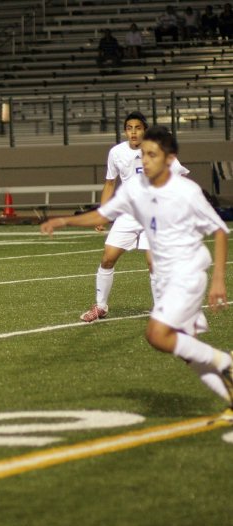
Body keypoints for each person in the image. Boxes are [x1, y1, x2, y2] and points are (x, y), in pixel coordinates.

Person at [41, 126, 232, 422]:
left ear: (170, 159)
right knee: (187, 353)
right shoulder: (136, 187)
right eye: (143, 154)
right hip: (170, 278)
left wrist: (218, 279)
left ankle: (225, 362)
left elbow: (219, 230)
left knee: (156, 334)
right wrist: (65, 220)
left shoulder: (186, 191)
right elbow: (104, 214)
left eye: (152, 154)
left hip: (188, 274)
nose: (145, 160)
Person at [79, 111, 189, 323]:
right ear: (125, 131)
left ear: (144, 130)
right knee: (107, 258)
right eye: (129, 128)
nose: (133, 132)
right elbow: (110, 183)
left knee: (153, 263)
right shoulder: (116, 152)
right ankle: (100, 306)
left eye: (137, 128)